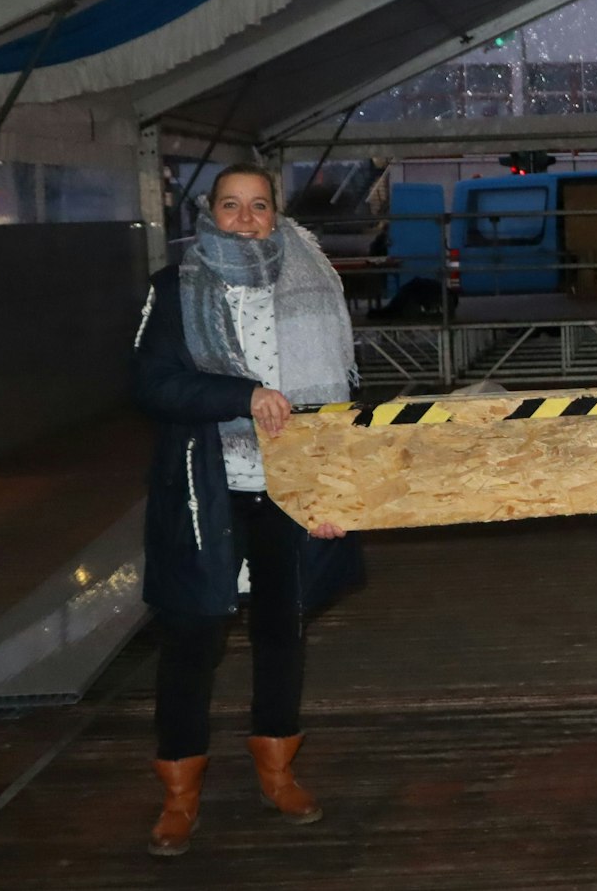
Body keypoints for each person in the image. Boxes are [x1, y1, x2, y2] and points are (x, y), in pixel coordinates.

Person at [132, 162, 363, 858]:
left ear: (276, 212)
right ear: (208, 212)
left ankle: (278, 773)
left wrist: (337, 488)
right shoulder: (173, 289)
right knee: (194, 636)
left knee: (281, 632)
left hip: (291, 489)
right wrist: (241, 395)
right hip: (208, 484)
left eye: (258, 205)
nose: (245, 216)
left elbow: (343, 399)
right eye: (230, 204)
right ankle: (179, 795)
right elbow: (153, 385)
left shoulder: (316, 284)